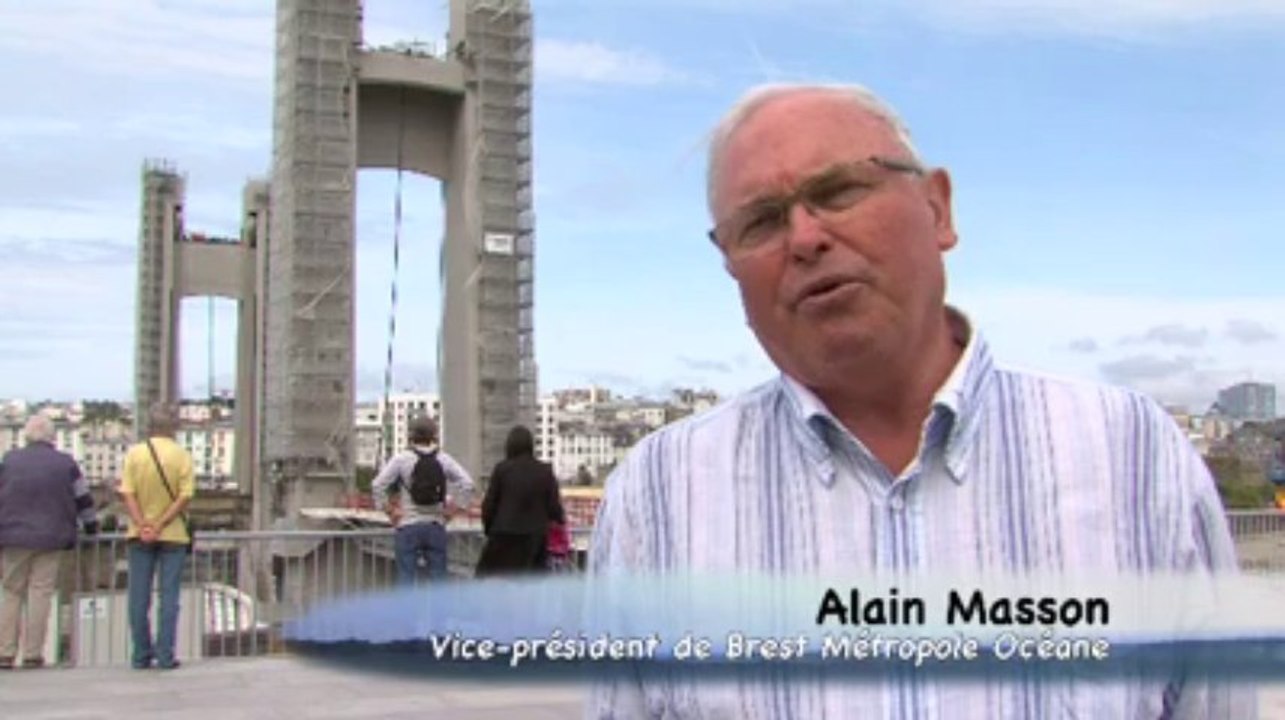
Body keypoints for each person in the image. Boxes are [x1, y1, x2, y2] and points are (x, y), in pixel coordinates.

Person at [586, 83, 1252, 718]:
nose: (804, 237)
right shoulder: (660, 498)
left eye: (838, 190)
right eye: (760, 221)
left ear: (937, 209)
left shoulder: (1130, 455)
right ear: (727, 261)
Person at [0, 412, 98, 670]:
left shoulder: (9, 461)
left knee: (10, 592)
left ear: (26, 435)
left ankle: (5, 652)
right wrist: (91, 527)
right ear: (52, 437)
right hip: (52, 537)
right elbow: (83, 500)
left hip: (12, 537)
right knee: (40, 593)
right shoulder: (65, 463)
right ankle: (33, 653)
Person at [119, 401, 195, 670]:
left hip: (139, 535)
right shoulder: (181, 456)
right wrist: (162, 523)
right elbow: (185, 496)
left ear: (149, 425)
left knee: (138, 597)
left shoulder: (135, 454)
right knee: (169, 598)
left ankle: (141, 654)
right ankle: (165, 655)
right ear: (174, 426)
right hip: (173, 535)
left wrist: (143, 524)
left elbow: (127, 492)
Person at [372, 416, 474, 585]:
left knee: (406, 580)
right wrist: (454, 510)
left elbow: (377, 485)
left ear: (411, 435)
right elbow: (467, 484)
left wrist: (390, 512)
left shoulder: (401, 459)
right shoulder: (443, 459)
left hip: (408, 526)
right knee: (438, 582)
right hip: (435, 525)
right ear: (434, 435)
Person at [475, 425, 566, 577]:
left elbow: (489, 505)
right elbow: (555, 509)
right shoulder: (545, 471)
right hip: (535, 541)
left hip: (503, 538)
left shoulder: (501, 470)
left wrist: (490, 530)